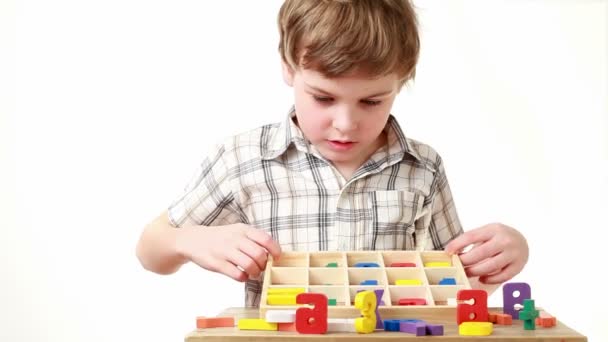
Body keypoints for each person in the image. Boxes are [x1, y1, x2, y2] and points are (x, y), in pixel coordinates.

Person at [136, 0, 529, 307]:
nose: (345, 123)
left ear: (402, 80)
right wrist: (190, 241)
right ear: (289, 67)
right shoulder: (243, 158)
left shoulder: (422, 168)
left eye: (372, 101)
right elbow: (151, 249)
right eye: (323, 97)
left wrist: (503, 259)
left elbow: (452, 289)